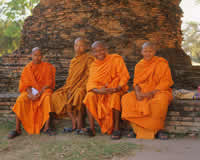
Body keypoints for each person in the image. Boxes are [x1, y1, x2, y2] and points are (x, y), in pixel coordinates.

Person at [121, 42, 174, 140]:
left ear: (154, 52)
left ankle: (158, 129)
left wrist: (152, 93)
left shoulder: (161, 63)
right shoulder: (139, 65)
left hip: (158, 91)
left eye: (150, 51)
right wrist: (138, 93)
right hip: (143, 91)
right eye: (145, 51)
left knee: (161, 100)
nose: (148, 53)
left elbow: (166, 82)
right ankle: (136, 129)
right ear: (142, 52)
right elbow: (136, 82)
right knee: (127, 98)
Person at [83, 41, 130, 139]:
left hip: (115, 89)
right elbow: (91, 83)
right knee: (89, 96)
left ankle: (116, 129)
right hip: (101, 91)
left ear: (106, 50)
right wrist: (99, 91)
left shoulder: (116, 59)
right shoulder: (94, 66)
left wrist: (118, 87)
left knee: (115, 97)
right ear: (93, 53)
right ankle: (92, 128)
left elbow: (124, 76)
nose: (99, 53)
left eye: (101, 50)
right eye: (96, 51)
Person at [8, 47, 56, 139]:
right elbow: (26, 84)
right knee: (20, 99)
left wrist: (40, 93)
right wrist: (30, 94)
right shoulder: (27, 68)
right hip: (31, 91)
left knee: (47, 98)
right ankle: (17, 129)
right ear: (31, 55)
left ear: (42, 56)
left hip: (43, 90)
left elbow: (49, 83)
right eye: (35, 55)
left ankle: (47, 127)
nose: (37, 57)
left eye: (39, 55)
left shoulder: (48, 67)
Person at [51, 37, 94, 133]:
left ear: (86, 47)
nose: (78, 48)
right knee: (55, 96)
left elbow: (89, 76)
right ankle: (74, 124)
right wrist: (69, 88)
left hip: (82, 86)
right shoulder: (73, 61)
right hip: (70, 86)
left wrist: (76, 87)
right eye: (76, 45)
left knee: (78, 95)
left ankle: (79, 126)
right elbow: (70, 78)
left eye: (81, 45)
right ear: (74, 47)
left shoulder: (89, 59)